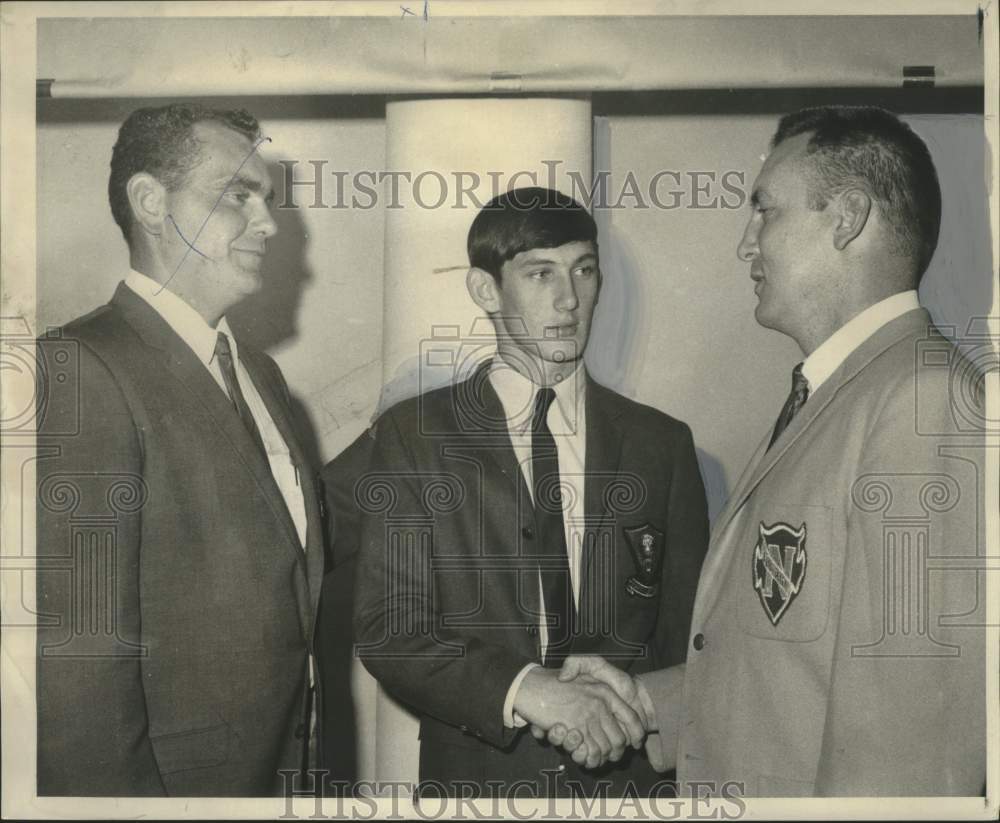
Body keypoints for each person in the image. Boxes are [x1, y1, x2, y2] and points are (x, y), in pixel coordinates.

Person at [543, 106, 987, 796]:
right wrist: (640, 700)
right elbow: (790, 666)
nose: (746, 245)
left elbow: (910, 748)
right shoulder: (838, 393)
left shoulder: (922, 405)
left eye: (766, 212)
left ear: (846, 218)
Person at [353, 187, 709, 798]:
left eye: (584, 270)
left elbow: (695, 641)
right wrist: (529, 690)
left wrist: (636, 715)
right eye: (540, 273)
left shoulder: (661, 444)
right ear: (486, 290)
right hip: (477, 786)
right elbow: (392, 629)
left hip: (629, 788)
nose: (569, 299)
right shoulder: (414, 437)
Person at [35, 104, 327, 796]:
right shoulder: (79, 368)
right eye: (237, 195)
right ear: (150, 202)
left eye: (266, 198)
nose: (268, 224)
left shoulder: (259, 372)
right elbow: (77, 666)